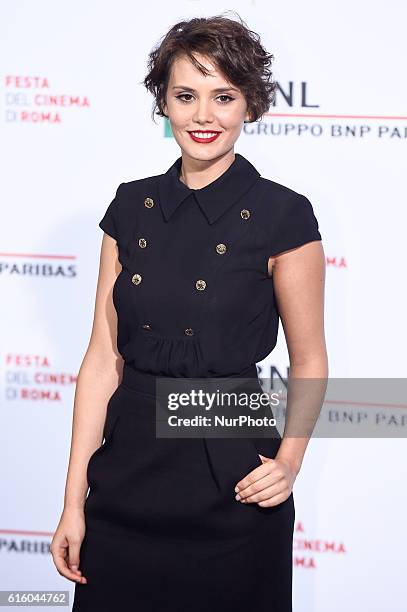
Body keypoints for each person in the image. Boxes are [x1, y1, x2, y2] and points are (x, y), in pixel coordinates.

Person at [51, 12, 328, 612]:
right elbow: (103, 360)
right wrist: (73, 501)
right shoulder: (130, 207)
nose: (204, 115)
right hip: (124, 481)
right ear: (164, 104)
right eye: (186, 95)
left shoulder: (285, 215)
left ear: (250, 105)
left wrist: (289, 462)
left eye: (223, 96)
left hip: (231, 478)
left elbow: (309, 358)